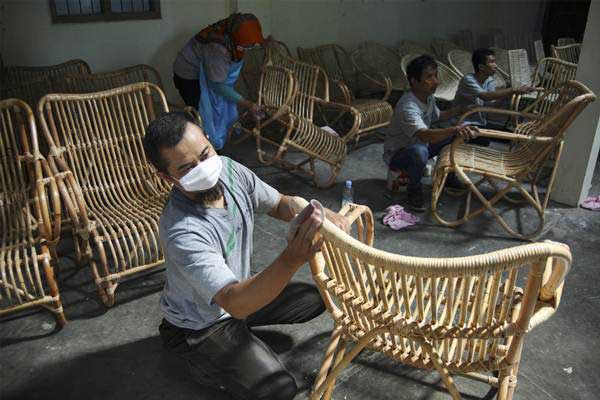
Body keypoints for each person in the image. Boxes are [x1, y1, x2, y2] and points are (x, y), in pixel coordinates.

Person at [142, 111, 350, 400]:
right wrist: (291, 258)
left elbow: (277, 203)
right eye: (188, 168)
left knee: (314, 300)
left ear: (209, 142)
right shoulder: (183, 230)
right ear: (167, 177)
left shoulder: (228, 170)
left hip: (236, 293)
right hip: (203, 321)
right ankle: (195, 354)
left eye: (205, 154)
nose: (204, 169)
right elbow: (234, 302)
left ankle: (239, 333)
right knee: (279, 390)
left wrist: (310, 211)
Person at [383, 55, 479, 212]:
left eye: (435, 76)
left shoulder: (428, 97)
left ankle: (448, 177)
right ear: (414, 82)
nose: (436, 81)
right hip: (398, 155)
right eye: (429, 77)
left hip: (420, 145)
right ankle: (414, 189)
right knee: (420, 151)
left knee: (456, 135)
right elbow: (424, 135)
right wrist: (454, 129)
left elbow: (438, 116)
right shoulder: (408, 106)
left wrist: (459, 110)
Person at [173, 13, 266, 150]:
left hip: (210, 73)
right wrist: (248, 104)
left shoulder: (232, 29)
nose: (249, 48)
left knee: (218, 111)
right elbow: (217, 86)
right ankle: (207, 151)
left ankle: (213, 145)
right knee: (203, 116)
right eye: (247, 45)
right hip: (188, 76)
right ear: (236, 39)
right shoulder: (217, 49)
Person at [453, 48, 535, 129]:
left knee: (512, 133)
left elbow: (490, 105)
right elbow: (486, 96)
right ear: (481, 67)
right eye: (492, 62)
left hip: (480, 123)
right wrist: (512, 90)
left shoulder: (489, 80)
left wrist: (507, 96)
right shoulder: (468, 79)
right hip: (462, 123)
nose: (496, 66)